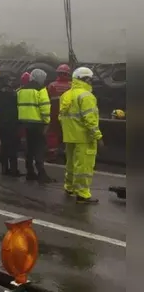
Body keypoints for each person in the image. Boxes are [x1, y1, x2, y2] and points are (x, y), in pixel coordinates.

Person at [59, 66, 103, 204]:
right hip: (84, 137)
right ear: (85, 79)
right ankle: (83, 194)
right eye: (90, 79)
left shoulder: (66, 95)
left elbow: (61, 117)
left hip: (70, 136)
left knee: (71, 164)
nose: (91, 81)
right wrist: (98, 136)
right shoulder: (87, 96)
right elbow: (90, 119)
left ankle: (69, 187)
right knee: (83, 167)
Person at [17, 69, 55, 182]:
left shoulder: (21, 90)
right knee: (39, 148)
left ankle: (30, 171)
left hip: (25, 123)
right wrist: (47, 122)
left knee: (29, 148)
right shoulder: (41, 90)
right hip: (38, 124)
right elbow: (45, 107)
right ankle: (41, 173)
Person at [0, 75, 22, 176]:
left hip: (1, 122)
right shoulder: (12, 93)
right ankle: (14, 169)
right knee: (13, 147)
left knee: (4, 146)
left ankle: (4, 168)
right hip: (12, 123)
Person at [47, 64, 72, 158]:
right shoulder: (72, 86)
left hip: (54, 113)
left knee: (52, 133)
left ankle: (52, 153)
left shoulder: (52, 85)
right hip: (68, 114)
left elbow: (47, 100)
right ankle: (67, 154)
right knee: (67, 134)